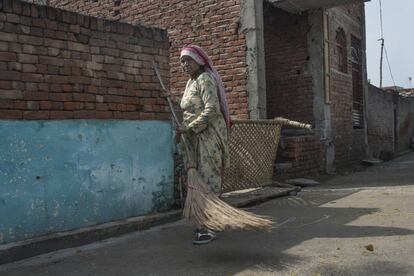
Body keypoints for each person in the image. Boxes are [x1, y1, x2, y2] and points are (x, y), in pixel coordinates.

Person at [167, 45, 231, 245]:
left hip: (208, 138)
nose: (184, 64)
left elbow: (211, 109)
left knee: (208, 179)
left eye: (188, 60)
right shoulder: (191, 82)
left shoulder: (205, 79)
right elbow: (192, 105)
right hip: (194, 138)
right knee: (197, 181)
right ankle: (204, 223)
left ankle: (209, 226)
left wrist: (189, 127)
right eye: (182, 61)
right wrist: (174, 98)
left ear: (200, 61)